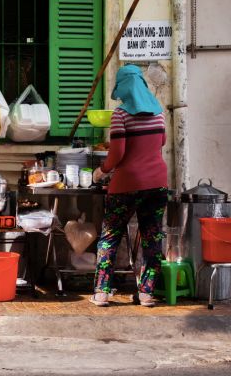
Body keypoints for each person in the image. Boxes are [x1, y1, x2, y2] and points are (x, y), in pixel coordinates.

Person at [90, 65, 168, 307]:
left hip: (126, 185)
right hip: (157, 184)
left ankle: (102, 293)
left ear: (122, 87)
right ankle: (146, 293)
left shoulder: (121, 114)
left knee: (110, 237)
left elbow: (116, 155)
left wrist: (99, 173)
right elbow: (160, 143)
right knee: (152, 238)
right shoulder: (159, 113)